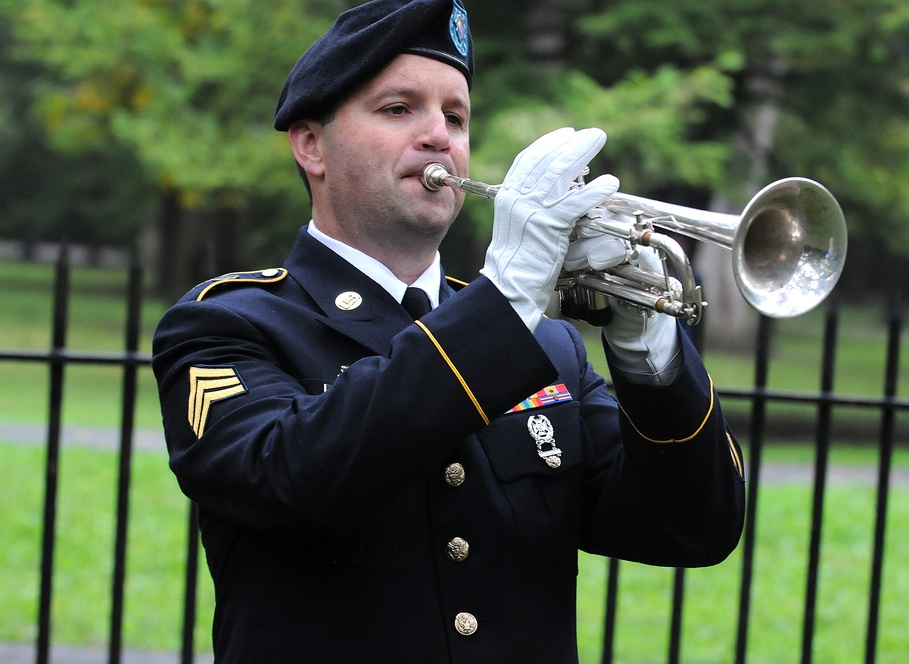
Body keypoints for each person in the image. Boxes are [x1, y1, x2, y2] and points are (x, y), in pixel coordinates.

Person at [151, 0, 746, 661]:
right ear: (311, 144)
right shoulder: (225, 326)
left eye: (455, 115)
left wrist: (648, 349)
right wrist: (510, 294)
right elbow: (296, 480)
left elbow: (691, 530)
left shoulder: (547, 348)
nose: (439, 134)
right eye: (399, 108)